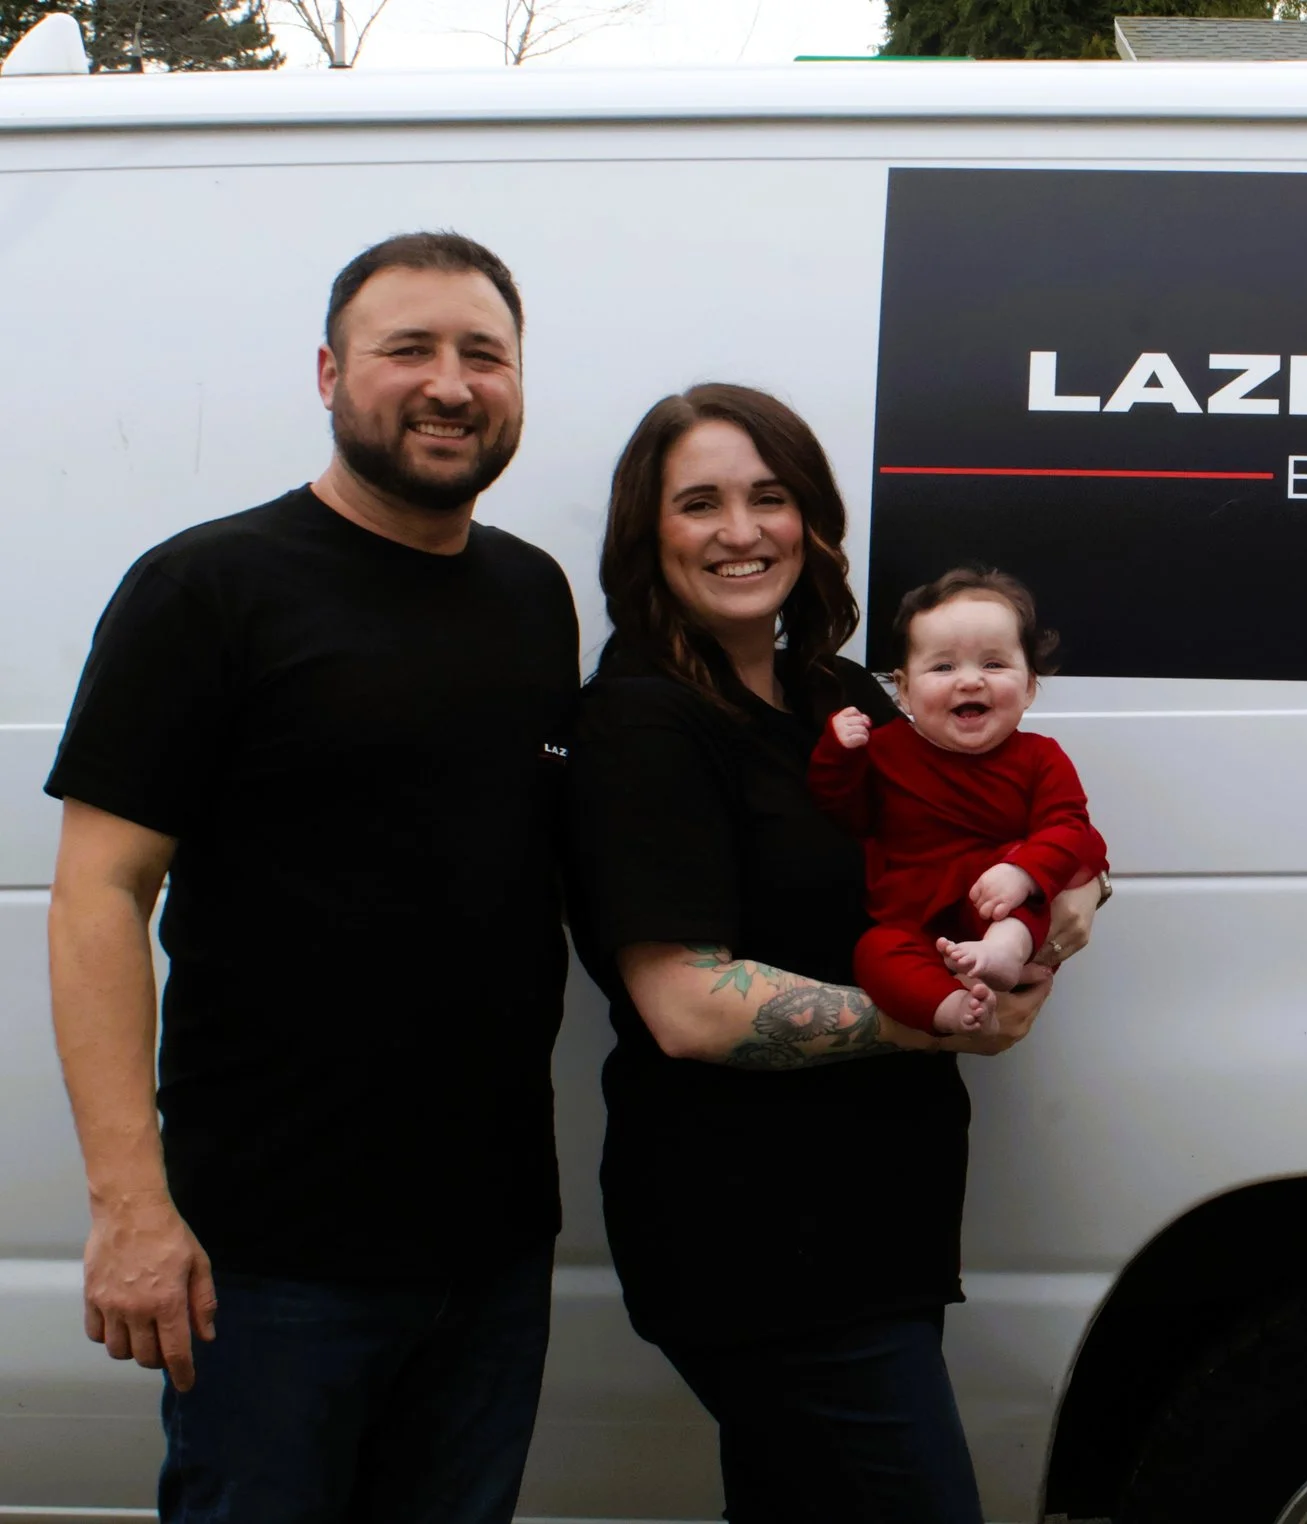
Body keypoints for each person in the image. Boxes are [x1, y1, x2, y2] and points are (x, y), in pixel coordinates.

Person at [44, 231, 577, 1520]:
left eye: (482, 354)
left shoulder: (534, 595)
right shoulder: (208, 588)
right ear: (331, 374)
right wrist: (130, 1208)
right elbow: (98, 897)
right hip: (270, 1261)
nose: (450, 383)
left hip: (493, 1249)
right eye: (410, 350)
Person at [563, 383, 1104, 1521]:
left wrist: (1068, 893)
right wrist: (936, 1018)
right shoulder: (640, 722)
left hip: (879, 1216)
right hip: (757, 1240)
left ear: (810, 521)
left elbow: (999, 821)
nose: (742, 530)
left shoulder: (840, 697)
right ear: (644, 533)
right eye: (698, 503)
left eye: (770, 496)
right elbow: (685, 1004)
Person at [811, 568, 1109, 1035]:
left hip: (995, 902)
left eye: (993, 664)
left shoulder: (1040, 756)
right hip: (916, 916)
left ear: (1029, 685)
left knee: (1033, 884)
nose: (970, 681)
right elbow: (848, 815)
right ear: (904, 688)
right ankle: (949, 1008)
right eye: (944, 667)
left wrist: (1023, 872)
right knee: (875, 951)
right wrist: (838, 757)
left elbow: (1070, 827)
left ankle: (1004, 952)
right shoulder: (885, 750)